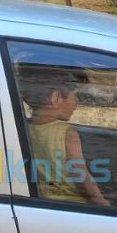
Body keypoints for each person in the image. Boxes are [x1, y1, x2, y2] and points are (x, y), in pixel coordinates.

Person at [23, 70, 109, 205]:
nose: (77, 102)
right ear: (56, 97)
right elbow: (81, 177)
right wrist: (101, 202)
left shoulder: (23, 128)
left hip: (40, 201)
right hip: (70, 206)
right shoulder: (67, 135)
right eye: (74, 95)